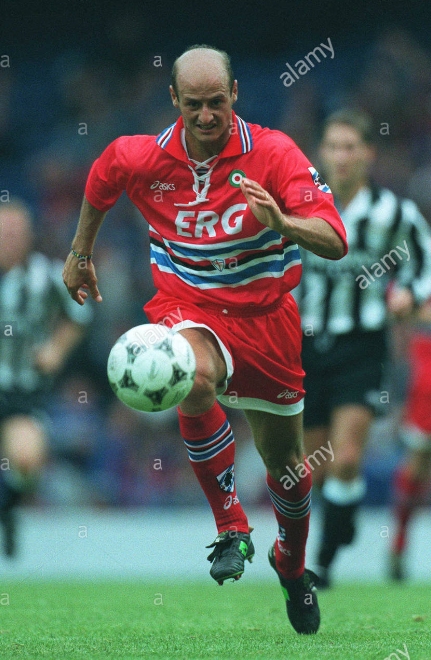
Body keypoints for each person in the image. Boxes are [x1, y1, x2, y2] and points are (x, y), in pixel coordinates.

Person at [63, 44, 347, 635]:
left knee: (288, 469)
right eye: (193, 104)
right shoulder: (145, 156)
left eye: (216, 101)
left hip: (266, 321)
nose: (206, 115)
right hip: (188, 307)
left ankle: (291, 566)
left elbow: (334, 237)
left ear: (235, 94)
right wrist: (80, 251)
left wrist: (283, 223)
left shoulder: (274, 153)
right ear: (174, 99)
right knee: (190, 378)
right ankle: (231, 526)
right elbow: (104, 174)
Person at [295, 108, 431, 588]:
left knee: (347, 457)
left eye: (351, 147)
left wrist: (408, 293)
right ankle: (342, 521)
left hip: (363, 345)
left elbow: (424, 265)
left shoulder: (393, 214)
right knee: (312, 468)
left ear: (369, 153)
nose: (341, 156)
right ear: (321, 152)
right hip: (304, 345)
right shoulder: (301, 205)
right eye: (333, 146)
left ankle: (323, 563)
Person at [0, 199, 91, 556]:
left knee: (25, 462)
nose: (9, 240)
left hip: (22, 390)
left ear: (29, 237)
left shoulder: (47, 275)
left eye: (15, 233)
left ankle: (8, 506)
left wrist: (55, 349)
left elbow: (79, 314)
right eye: (3, 233)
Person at [390, 298, 431, 580]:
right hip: (426, 376)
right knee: (416, 467)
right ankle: (399, 544)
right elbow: (402, 308)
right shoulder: (419, 278)